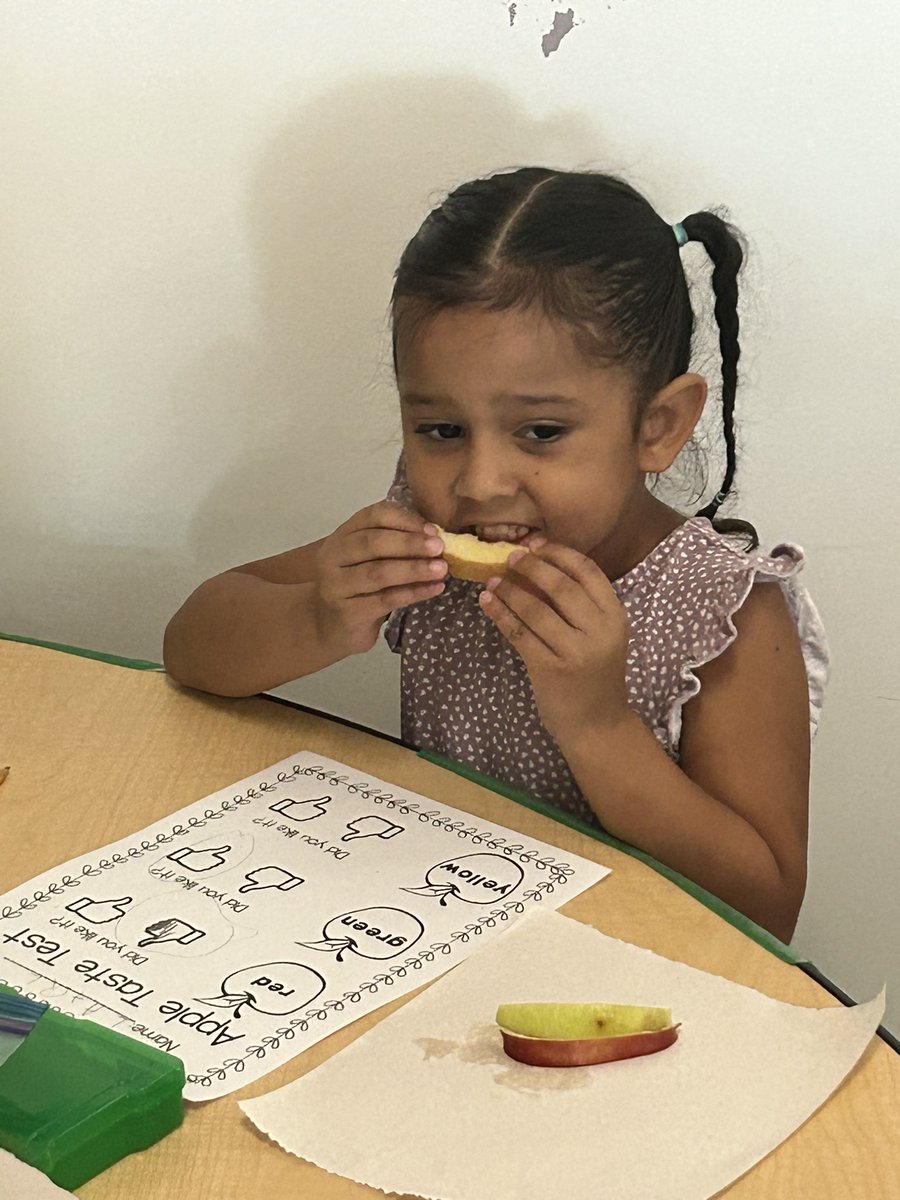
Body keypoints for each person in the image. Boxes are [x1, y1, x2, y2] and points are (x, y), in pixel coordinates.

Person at [164, 167, 829, 943]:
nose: (479, 484)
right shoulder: (423, 532)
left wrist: (599, 725)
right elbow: (191, 648)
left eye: (541, 432)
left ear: (659, 426)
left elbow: (766, 908)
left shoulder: (722, 611)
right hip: (422, 935)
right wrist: (316, 617)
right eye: (442, 431)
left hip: (621, 980)